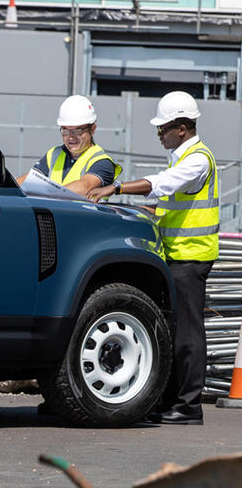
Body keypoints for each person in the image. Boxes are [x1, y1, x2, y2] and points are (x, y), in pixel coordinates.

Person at [88, 91, 217, 425]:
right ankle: (174, 400)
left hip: (191, 257)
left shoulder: (198, 159)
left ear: (184, 128)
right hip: (175, 255)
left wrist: (115, 189)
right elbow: (167, 205)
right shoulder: (182, 157)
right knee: (175, 330)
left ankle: (189, 406)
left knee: (188, 333)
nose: (159, 133)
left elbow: (161, 185)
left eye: (164, 128)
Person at [17, 95, 122, 196]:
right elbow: (29, 180)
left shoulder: (102, 161)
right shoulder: (54, 154)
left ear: (93, 129)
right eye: (65, 130)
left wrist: (44, 193)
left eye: (78, 130)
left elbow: (84, 187)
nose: (71, 137)